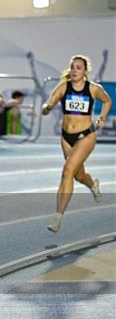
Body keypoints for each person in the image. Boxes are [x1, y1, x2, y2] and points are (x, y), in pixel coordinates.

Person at [42, 55, 111, 233]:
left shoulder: (94, 89)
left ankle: (58, 217)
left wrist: (102, 117)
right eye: (72, 67)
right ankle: (92, 184)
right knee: (78, 175)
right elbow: (47, 106)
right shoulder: (63, 87)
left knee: (67, 171)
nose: (74, 70)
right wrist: (47, 108)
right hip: (66, 137)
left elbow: (107, 101)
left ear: (85, 71)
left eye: (78, 67)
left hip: (85, 136)